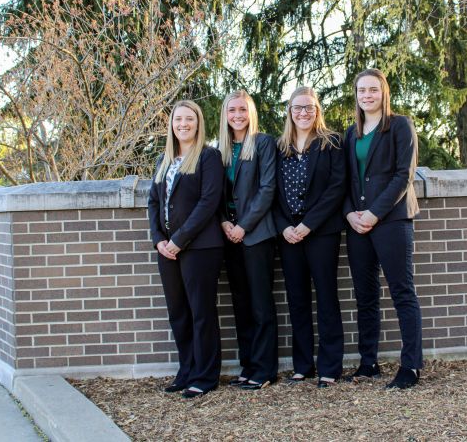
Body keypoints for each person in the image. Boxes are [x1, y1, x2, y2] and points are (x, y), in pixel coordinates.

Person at [343, 68, 423, 389]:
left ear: (383, 93)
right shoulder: (352, 133)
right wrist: (350, 213)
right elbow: (347, 180)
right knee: (365, 296)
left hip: (391, 221)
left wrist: (374, 213)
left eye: (373, 90)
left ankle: (411, 366)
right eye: (362, 90)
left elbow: (403, 175)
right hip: (356, 225)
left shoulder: (400, 125)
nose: (367, 95)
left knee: (402, 292)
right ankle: (368, 362)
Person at [147, 99, 224, 398]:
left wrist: (179, 240)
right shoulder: (164, 159)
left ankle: (205, 376)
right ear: (171, 124)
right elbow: (154, 202)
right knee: (178, 312)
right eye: (178, 119)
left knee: (201, 311)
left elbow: (208, 203)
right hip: (166, 250)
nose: (183, 124)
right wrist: (159, 240)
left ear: (198, 123)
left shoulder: (208, 157)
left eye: (189, 119)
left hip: (201, 248)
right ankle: (186, 370)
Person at [273, 86, 345, 388]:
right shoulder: (279, 147)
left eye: (309, 107)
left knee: (326, 298)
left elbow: (336, 188)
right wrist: (284, 226)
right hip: (288, 236)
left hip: (321, 233)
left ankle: (330, 366)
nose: (304, 113)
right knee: (297, 300)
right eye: (298, 108)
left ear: (317, 110)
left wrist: (309, 225)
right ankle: (303, 366)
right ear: (290, 112)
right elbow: (271, 193)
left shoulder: (331, 143)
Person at [218, 90, 279, 390]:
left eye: (243, 110)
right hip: (230, 237)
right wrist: (225, 223)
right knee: (241, 304)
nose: (238, 115)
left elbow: (267, 189)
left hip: (257, 235)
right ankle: (248, 366)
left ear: (250, 113)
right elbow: (215, 192)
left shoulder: (263, 143)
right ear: (225, 115)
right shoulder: (221, 149)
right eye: (232, 110)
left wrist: (243, 225)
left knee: (260, 304)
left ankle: (265, 370)